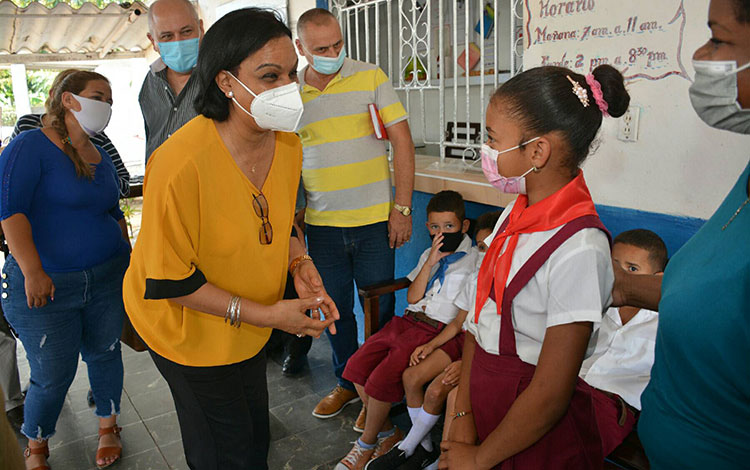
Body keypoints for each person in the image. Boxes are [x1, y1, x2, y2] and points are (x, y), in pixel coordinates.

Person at [122, 9, 339, 470]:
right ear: (225, 82)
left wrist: (299, 264)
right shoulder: (180, 162)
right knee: (225, 452)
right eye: (268, 76)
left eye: (289, 74)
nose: (287, 88)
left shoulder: (287, 144)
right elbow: (171, 281)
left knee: (254, 436)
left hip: (248, 323)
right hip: (185, 329)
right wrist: (271, 315)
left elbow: (280, 224)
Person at [439, 64, 633, 470]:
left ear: (537, 152)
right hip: (487, 409)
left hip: (535, 434)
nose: (485, 149)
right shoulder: (515, 215)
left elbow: (550, 392)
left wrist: (479, 460)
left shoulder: (580, 247)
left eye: (492, 138)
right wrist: (462, 416)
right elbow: (480, 320)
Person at [618, 1, 750, 467]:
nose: (700, 52)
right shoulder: (747, 178)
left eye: (718, 38)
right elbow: (718, 300)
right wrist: (625, 286)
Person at [0, 70, 131, 470]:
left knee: (106, 352)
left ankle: (109, 425)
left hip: (107, 275)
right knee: (52, 373)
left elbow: (112, 208)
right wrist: (33, 271)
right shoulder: (29, 146)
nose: (106, 105)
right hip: (48, 284)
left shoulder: (98, 149)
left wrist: (129, 256)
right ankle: (36, 443)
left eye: (110, 98)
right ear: (68, 99)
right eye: (97, 96)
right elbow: (10, 212)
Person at [294, 8, 416, 420]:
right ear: (301, 49)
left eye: (338, 44)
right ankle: (348, 383)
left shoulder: (371, 76)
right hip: (322, 227)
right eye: (321, 48)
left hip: (374, 224)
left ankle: (379, 392)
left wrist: (401, 209)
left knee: (379, 312)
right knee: (335, 311)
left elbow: (402, 142)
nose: (333, 53)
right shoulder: (290, 94)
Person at [336, 190, 476, 470]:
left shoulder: (474, 259)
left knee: (381, 378)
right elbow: (412, 298)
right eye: (435, 227)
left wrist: (435, 342)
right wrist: (431, 262)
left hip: (434, 330)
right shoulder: (429, 253)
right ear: (428, 228)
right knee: (356, 366)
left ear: (464, 226)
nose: (442, 233)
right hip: (407, 321)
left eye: (449, 227)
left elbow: (462, 317)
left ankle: (366, 444)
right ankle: (389, 432)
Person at [369, 211, 501, 470]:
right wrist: (431, 345)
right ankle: (420, 447)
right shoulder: (475, 279)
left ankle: (431, 455)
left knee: (438, 391)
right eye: (482, 248)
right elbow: (458, 323)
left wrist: (465, 362)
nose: (486, 254)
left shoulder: (514, 284)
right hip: (466, 341)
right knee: (410, 376)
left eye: (493, 247)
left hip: (485, 354)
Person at [579, 229, 666, 411]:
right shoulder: (591, 305)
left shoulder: (662, 326)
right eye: (614, 266)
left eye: (632, 269)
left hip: (619, 409)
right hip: (573, 393)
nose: (619, 276)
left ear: (657, 280)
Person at [10, 69, 131, 196]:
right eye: (95, 98)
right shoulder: (28, 133)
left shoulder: (97, 140)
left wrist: (99, 178)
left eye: (108, 102)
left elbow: (123, 183)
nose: (102, 106)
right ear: (64, 98)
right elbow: (10, 179)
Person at [139, 0, 203, 163]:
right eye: (167, 36)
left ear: (201, 28)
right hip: (161, 183)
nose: (178, 42)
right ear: (153, 41)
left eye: (186, 31)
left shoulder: (222, 78)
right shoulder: (151, 82)